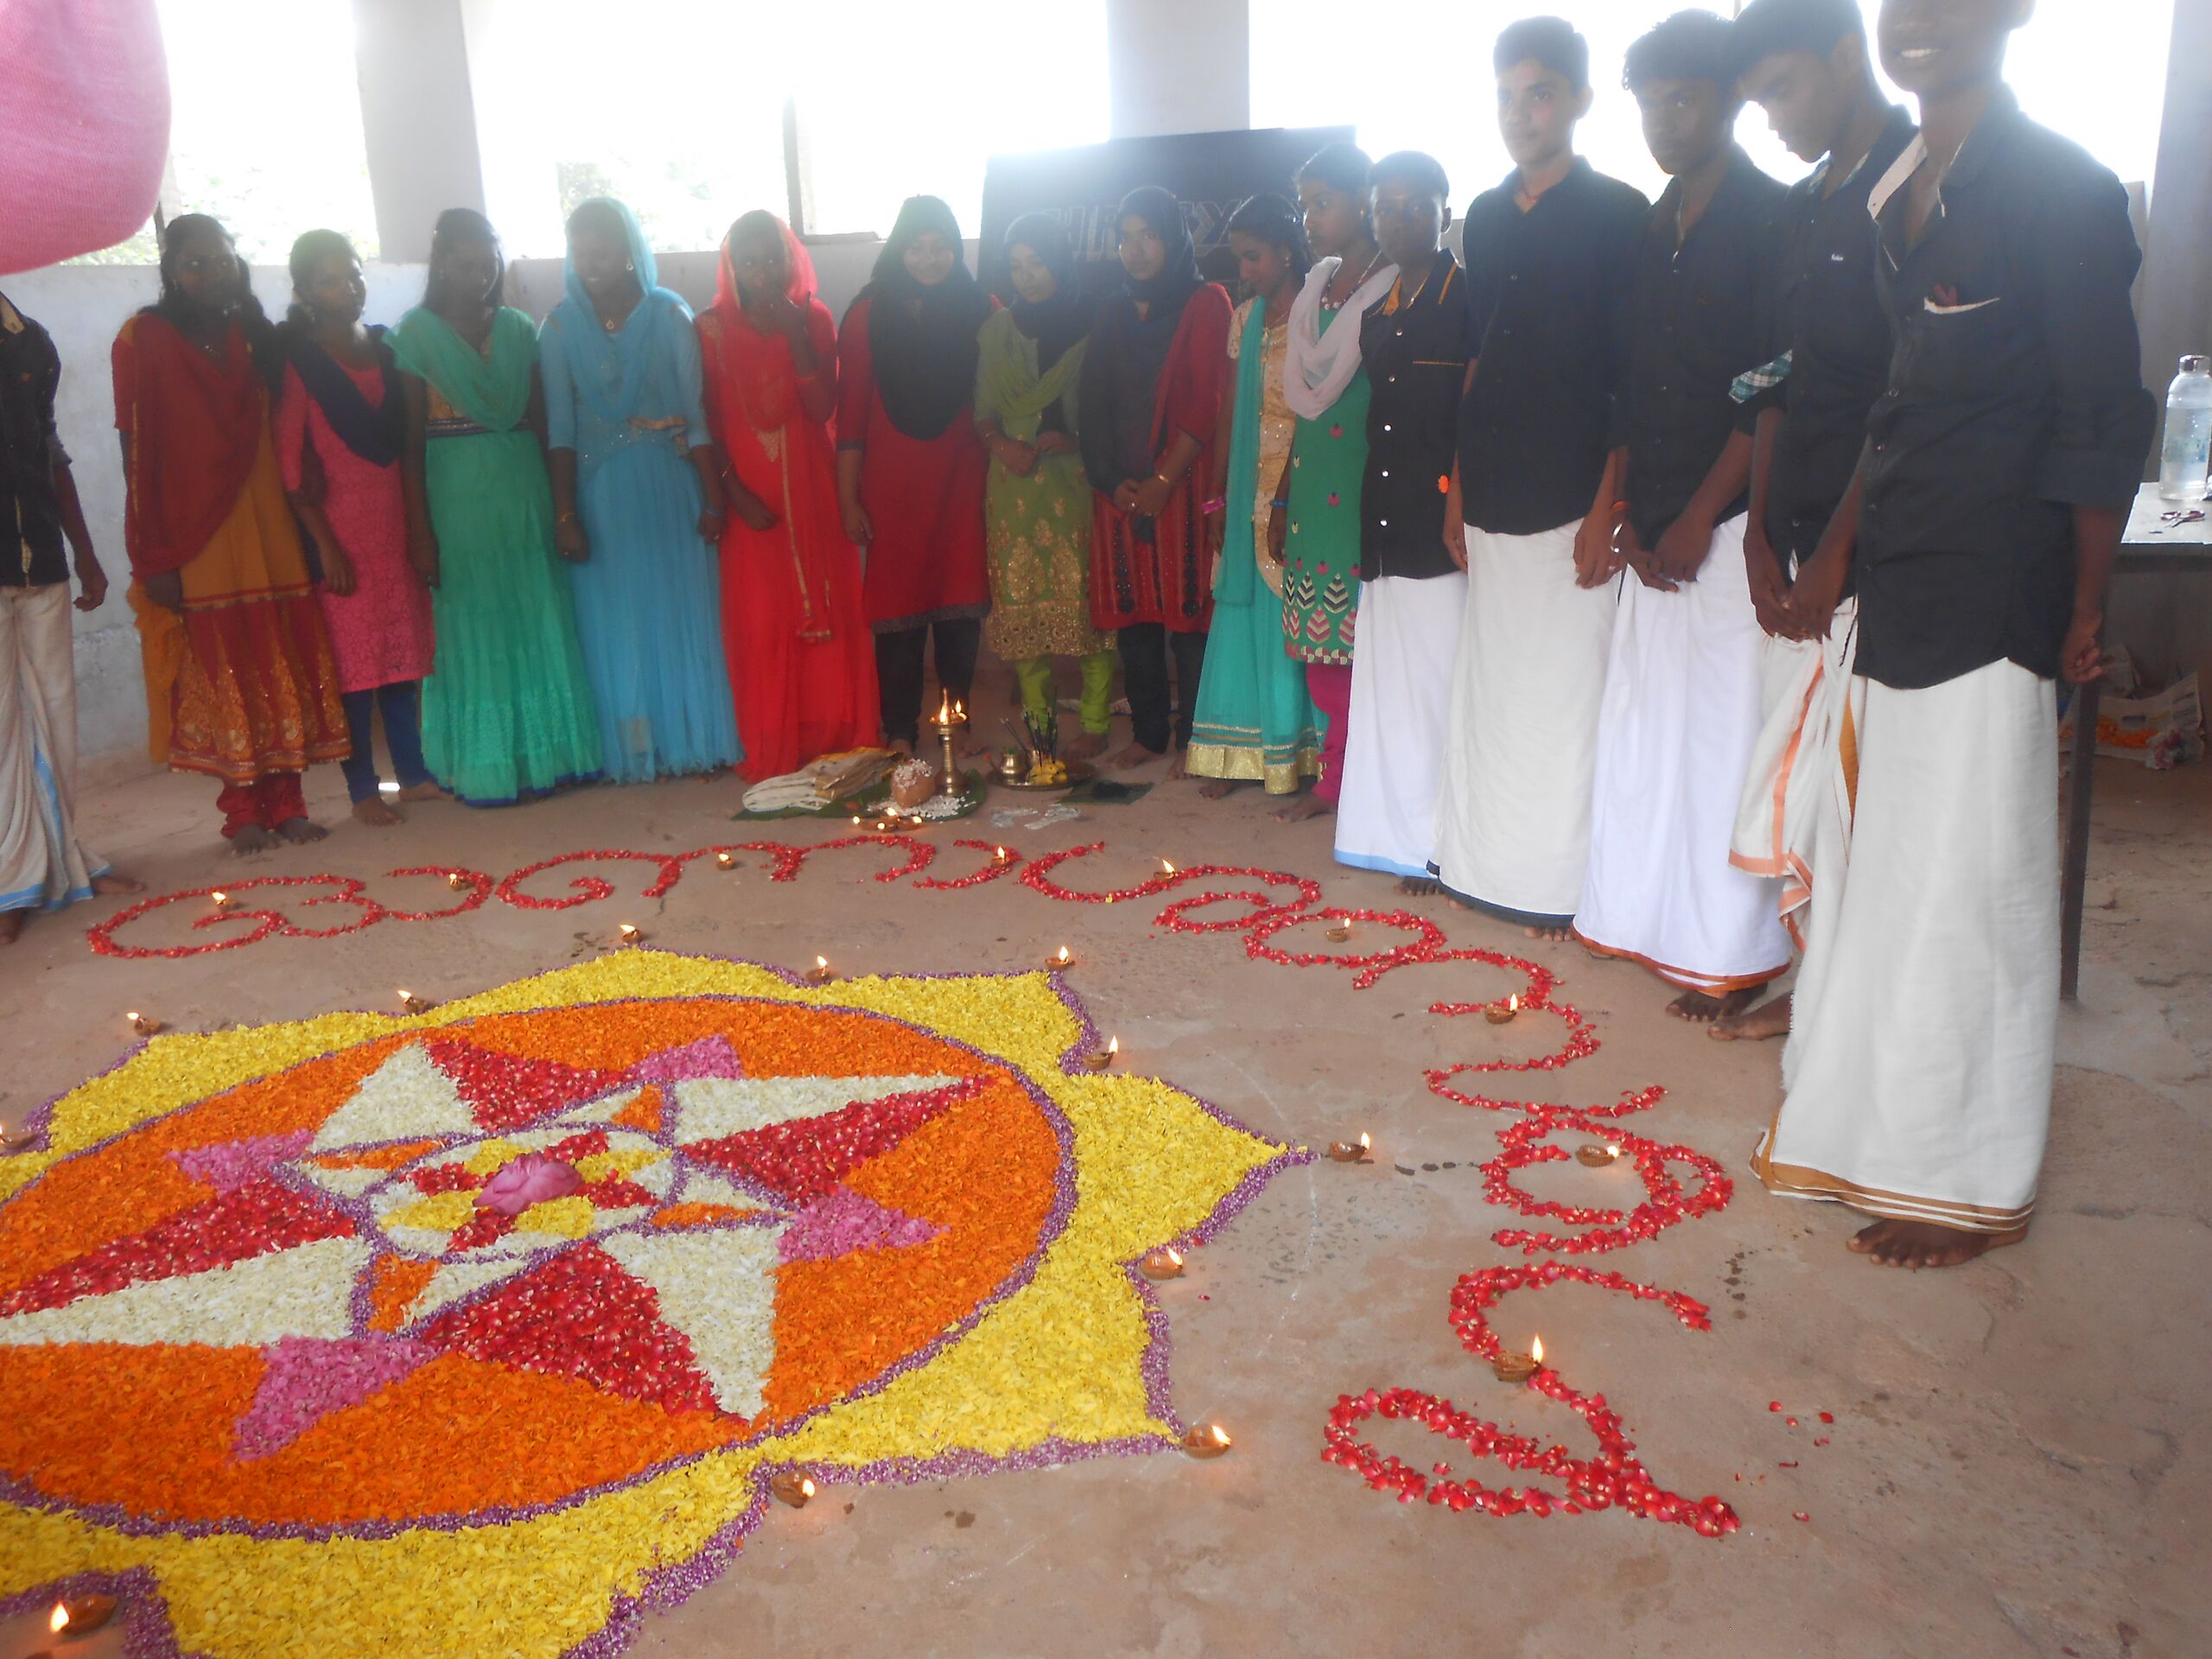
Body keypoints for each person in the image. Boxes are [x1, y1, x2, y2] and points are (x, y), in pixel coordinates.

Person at [1755, 0, 2153, 1268]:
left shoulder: (2062, 191)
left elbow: (2102, 416)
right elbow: (1900, 400)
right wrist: (1842, 549)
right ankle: (1871, 1127)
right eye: (1902, 4)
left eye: (1953, 2)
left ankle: (1967, 1177)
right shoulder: (1898, 189)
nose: (1918, 23)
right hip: (1903, 576)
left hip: (1996, 585)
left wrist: (2084, 608)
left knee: (1971, 886)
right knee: (1891, 869)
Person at [1573, 12, 1793, 1019]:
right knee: (1648, 733)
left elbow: (1771, 388)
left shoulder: (1775, 219)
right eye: (1648, 104)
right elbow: (1624, 385)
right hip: (1653, 520)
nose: (1663, 121)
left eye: (1682, 98)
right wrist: (1621, 503)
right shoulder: (1647, 229)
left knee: (1719, 744)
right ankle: (1650, 924)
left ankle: (1729, 954)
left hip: (1730, 524)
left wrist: (1703, 515)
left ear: (1732, 98)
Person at [1712, 0, 1917, 1039]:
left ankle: (1844, 1002)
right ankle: (1812, 975)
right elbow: (1773, 380)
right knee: (1801, 774)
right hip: (1793, 532)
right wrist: (1757, 531)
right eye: (1757, 103)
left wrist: (1835, 551)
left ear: (1846, 57)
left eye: (1783, 90)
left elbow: (1908, 394)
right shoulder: (1797, 210)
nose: (1774, 120)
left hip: (1880, 544)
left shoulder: (1914, 186)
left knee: (1860, 778)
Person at [1430, 18, 1651, 938]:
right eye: (1506, 97)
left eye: (1540, 95)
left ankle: (1560, 887)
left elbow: (1631, 373)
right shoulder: (1483, 216)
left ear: (1579, 100)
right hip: (1492, 481)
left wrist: (1610, 502)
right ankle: (1486, 866)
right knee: (1497, 686)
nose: (1520, 115)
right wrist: (1456, 483)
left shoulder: (1623, 214)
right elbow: (1478, 356)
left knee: (1568, 694)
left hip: (1573, 490)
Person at [114, 213, 349, 849]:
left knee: (277, 658)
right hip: (195, 530)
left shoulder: (255, 335)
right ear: (171, 269)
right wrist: (153, 555)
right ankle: (242, 813)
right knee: (224, 667)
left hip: (267, 518)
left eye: (221, 260)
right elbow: (134, 453)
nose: (211, 273)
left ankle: (289, 803)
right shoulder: (142, 339)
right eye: (195, 263)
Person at [391, 207, 602, 806]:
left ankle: (553, 757)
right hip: (455, 498)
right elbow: (409, 444)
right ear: (441, 265)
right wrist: (420, 533)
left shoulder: (516, 328)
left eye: (488, 264)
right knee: (475, 621)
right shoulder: (416, 334)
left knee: (536, 612)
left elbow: (542, 422)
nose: (479, 276)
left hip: (522, 489)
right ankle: (489, 765)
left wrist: (561, 508)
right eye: (466, 265)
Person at [542, 197, 741, 785]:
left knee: (682, 616)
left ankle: (694, 739)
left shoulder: (669, 315)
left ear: (629, 253)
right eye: (580, 252)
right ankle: (637, 747)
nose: (590, 263)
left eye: (602, 251)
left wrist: (713, 499)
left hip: (670, 488)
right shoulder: (558, 328)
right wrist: (564, 515)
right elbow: (559, 431)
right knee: (618, 625)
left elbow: (695, 414)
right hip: (600, 498)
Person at [1332, 151, 1478, 893]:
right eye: (1383, 208)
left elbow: (1475, 418)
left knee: (1440, 691)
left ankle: (1441, 843)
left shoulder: (1468, 300)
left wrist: (1460, 501)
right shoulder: (1377, 312)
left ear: (1444, 212)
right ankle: (1389, 834)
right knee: (1390, 692)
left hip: (1438, 525)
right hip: (1384, 523)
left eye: (1414, 204)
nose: (1398, 220)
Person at [697, 212, 878, 782]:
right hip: (748, 495)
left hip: (813, 489)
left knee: (828, 609)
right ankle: (776, 737)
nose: (763, 271)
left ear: (790, 258)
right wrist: (732, 491)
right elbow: (704, 424)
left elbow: (824, 408)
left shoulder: (815, 318)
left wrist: (797, 335)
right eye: (749, 261)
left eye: (772, 257)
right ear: (732, 267)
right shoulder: (709, 330)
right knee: (764, 619)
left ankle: (834, 732)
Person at [275, 229, 440, 827]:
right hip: (342, 538)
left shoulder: (387, 347)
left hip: (394, 526)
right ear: (305, 291)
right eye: (330, 281)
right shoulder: (302, 365)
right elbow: (290, 468)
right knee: (355, 673)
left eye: (354, 275)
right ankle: (364, 790)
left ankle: (414, 777)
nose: (348, 288)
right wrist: (326, 546)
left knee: (400, 662)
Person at [0, 287, 138, 942]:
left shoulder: (32, 342)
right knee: (2, 729)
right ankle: (11, 879)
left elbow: (50, 453)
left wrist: (85, 552)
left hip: (41, 560)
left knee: (57, 717)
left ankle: (61, 862)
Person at [1079, 186, 1233, 767]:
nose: (1137, 250)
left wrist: (1162, 482)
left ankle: (1194, 737)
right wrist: (1110, 479)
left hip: (1181, 485)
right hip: (1121, 491)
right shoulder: (1113, 309)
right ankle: (1147, 735)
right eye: (1125, 239)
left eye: (1149, 236)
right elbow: (1092, 400)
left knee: (1188, 622)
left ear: (1173, 239)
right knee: (1135, 621)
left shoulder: (1205, 301)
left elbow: (1207, 401)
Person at [837, 196, 994, 750]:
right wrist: (848, 498)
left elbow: (998, 401)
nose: (929, 259)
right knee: (897, 612)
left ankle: (956, 721)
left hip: (963, 481)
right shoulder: (866, 316)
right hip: (892, 489)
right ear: (899, 251)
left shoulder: (984, 308)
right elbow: (851, 416)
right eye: (917, 248)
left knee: (959, 608)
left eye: (941, 247)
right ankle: (900, 729)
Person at [1185, 193, 1323, 798]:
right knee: (1241, 610)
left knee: (1296, 612)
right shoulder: (1245, 318)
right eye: (1239, 258)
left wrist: (1287, 496)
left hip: (1304, 480)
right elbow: (1229, 413)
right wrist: (1216, 496)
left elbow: (1319, 411)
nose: (1244, 271)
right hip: (1247, 485)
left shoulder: (1320, 313)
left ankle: (1299, 754)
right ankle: (1239, 753)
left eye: (1254, 257)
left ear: (1287, 252)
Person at [1274, 143, 1395, 823]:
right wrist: (1282, 495)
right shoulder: (1314, 289)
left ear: (1363, 201)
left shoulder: (1395, 285)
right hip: (1314, 485)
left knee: (1367, 644)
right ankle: (1336, 773)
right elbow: (1303, 409)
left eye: (1322, 203)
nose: (1310, 219)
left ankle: (1358, 779)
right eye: (1305, 206)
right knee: (1323, 646)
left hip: (1366, 485)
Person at [975, 213, 1112, 759]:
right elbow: (983, 411)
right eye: (1016, 266)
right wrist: (1001, 445)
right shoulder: (997, 332)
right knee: (1022, 607)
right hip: (1013, 488)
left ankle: (1096, 723)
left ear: (1059, 262)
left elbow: (1113, 408)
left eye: (1037, 263)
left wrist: (1076, 440)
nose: (1027, 276)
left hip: (1075, 484)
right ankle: (1041, 729)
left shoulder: (1094, 324)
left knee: (1088, 609)